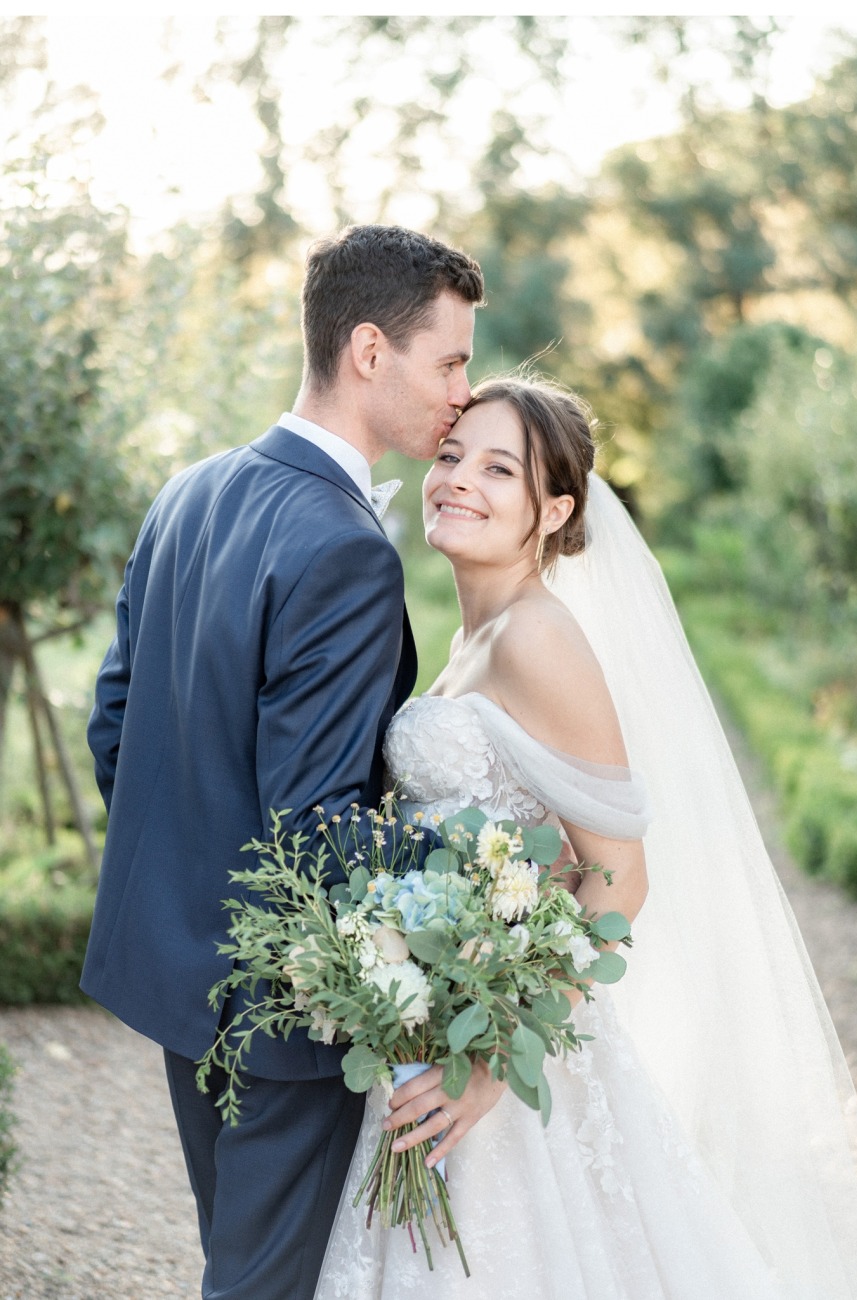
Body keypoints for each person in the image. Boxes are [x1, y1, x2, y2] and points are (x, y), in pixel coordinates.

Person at [314, 376, 857, 1299]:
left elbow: (618, 878)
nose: (457, 479)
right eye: (451, 456)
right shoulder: (470, 638)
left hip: (504, 1066)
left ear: (554, 508)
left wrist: (489, 1066)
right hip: (443, 1029)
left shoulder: (539, 639)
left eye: (499, 469)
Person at [81, 224, 484, 1300]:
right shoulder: (345, 548)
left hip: (175, 975)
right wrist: (476, 882)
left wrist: (187, 881)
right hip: (278, 1011)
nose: (461, 389)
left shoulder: (190, 491)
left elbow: (115, 724)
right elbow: (316, 825)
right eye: (447, 360)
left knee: (240, 1259)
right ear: (367, 351)